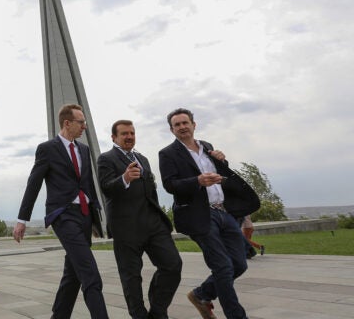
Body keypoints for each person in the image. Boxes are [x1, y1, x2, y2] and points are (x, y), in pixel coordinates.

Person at [13, 104, 108, 319]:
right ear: (67, 123)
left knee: (73, 273)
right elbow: (33, 184)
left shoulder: (83, 149)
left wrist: (95, 218)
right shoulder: (47, 149)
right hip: (63, 215)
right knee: (90, 274)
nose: (85, 126)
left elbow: (88, 185)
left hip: (84, 215)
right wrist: (22, 220)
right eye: (81, 122)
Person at [159, 108, 249, 319]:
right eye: (177, 125)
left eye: (185, 122)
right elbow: (170, 185)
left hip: (223, 212)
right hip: (199, 216)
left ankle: (202, 294)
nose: (182, 127)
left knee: (239, 263)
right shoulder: (167, 154)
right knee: (223, 267)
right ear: (172, 130)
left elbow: (223, 174)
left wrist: (221, 161)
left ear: (193, 124)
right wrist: (197, 181)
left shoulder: (207, 147)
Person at [97, 120, 182, 319]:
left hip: (153, 224)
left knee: (172, 265)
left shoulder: (142, 158)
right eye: (124, 133)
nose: (129, 137)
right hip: (126, 228)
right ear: (114, 137)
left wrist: (159, 217)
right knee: (131, 278)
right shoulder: (106, 159)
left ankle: (158, 311)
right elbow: (106, 187)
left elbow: (151, 191)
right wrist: (124, 178)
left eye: (132, 133)